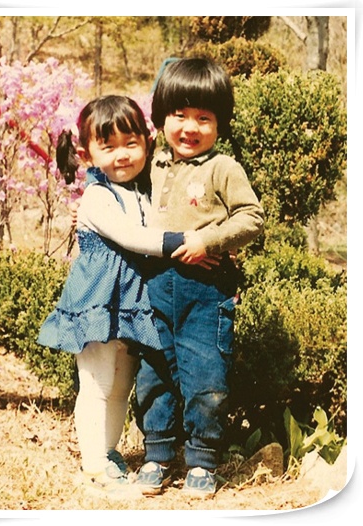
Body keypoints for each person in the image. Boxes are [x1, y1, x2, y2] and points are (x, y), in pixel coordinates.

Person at [37, 95, 187, 498]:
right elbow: (132, 236)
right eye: (109, 146)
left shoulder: (143, 190)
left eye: (131, 143)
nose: (122, 154)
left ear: (147, 142)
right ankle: (92, 463)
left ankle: (107, 452)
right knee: (97, 383)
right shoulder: (97, 196)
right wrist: (184, 241)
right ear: (88, 153)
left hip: (133, 300)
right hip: (99, 299)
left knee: (122, 384)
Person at [133, 57, 265, 498]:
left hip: (206, 293)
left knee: (206, 377)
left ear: (220, 124)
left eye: (203, 118)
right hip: (154, 287)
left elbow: (251, 217)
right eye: (179, 115)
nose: (190, 127)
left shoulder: (222, 167)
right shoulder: (153, 164)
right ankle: (156, 454)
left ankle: (203, 460)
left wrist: (208, 240)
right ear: (161, 118)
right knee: (153, 374)